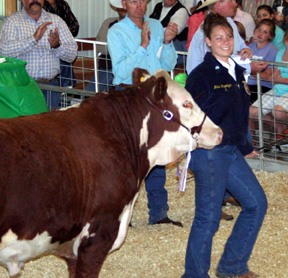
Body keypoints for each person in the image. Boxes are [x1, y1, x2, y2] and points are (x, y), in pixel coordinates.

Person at [183, 13, 268, 278]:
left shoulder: (237, 69)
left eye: (229, 36)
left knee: (256, 204)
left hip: (229, 151)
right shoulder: (201, 75)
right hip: (208, 153)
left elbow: (238, 112)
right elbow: (192, 118)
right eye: (218, 37)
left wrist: (243, 145)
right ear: (207, 41)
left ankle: (232, 267)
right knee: (208, 220)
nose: (225, 41)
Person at [107, 0, 182, 226]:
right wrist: (142, 46)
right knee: (128, 156)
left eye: (142, 0)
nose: (139, 5)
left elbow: (169, 63)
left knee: (157, 152)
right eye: (133, 1)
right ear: (124, 4)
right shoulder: (116, 32)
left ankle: (159, 213)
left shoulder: (157, 26)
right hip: (128, 95)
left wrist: (167, 42)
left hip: (155, 95)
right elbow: (120, 71)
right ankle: (121, 216)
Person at [0, 0, 78, 108]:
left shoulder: (56, 21)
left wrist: (57, 46)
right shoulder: (12, 21)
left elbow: (72, 55)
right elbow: (4, 51)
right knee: (27, 124)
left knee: (50, 124)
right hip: (23, 86)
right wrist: (34, 39)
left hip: (51, 87)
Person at [186, 0, 263, 76]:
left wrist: (246, 50)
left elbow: (241, 44)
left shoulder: (229, 22)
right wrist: (248, 68)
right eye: (231, 1)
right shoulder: (205, 32)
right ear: (219, 4)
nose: (235, 4)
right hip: (209, 82)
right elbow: (215, 65)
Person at [250, 29, 288, 139]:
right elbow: (275, 75)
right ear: (285, 39)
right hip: (277, 90)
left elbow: (276, 77)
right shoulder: (280, 52)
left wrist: (279, 79)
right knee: (252, 112)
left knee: (278, 112)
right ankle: (279, 126)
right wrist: (278, 78)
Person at [85, 5, 127, 92]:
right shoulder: (109, 22)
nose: (123, 7)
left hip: (127, 70)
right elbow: (100, 46)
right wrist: (123, 49)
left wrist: (112, 47)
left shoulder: (139, 25)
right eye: (121, 4)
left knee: (122, 97)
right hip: (107, 67)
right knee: (89, 94)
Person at [43, 0, 79, 88]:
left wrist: (61, 34)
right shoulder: (40, 4)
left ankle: (67, 87)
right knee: (60, 54)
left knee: (64, 51)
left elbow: (75, 27)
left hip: (61, 43)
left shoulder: (63, 4)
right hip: (46, 43)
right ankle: (67, 86)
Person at [248, 19, 278, 103]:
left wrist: (250, 71)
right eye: (259, 30)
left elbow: (268, 74)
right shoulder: (249, 47)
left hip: (262, 85)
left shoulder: (272, 50)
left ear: (270, 36)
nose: (260, 34)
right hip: (247, 83)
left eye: (265, 32)